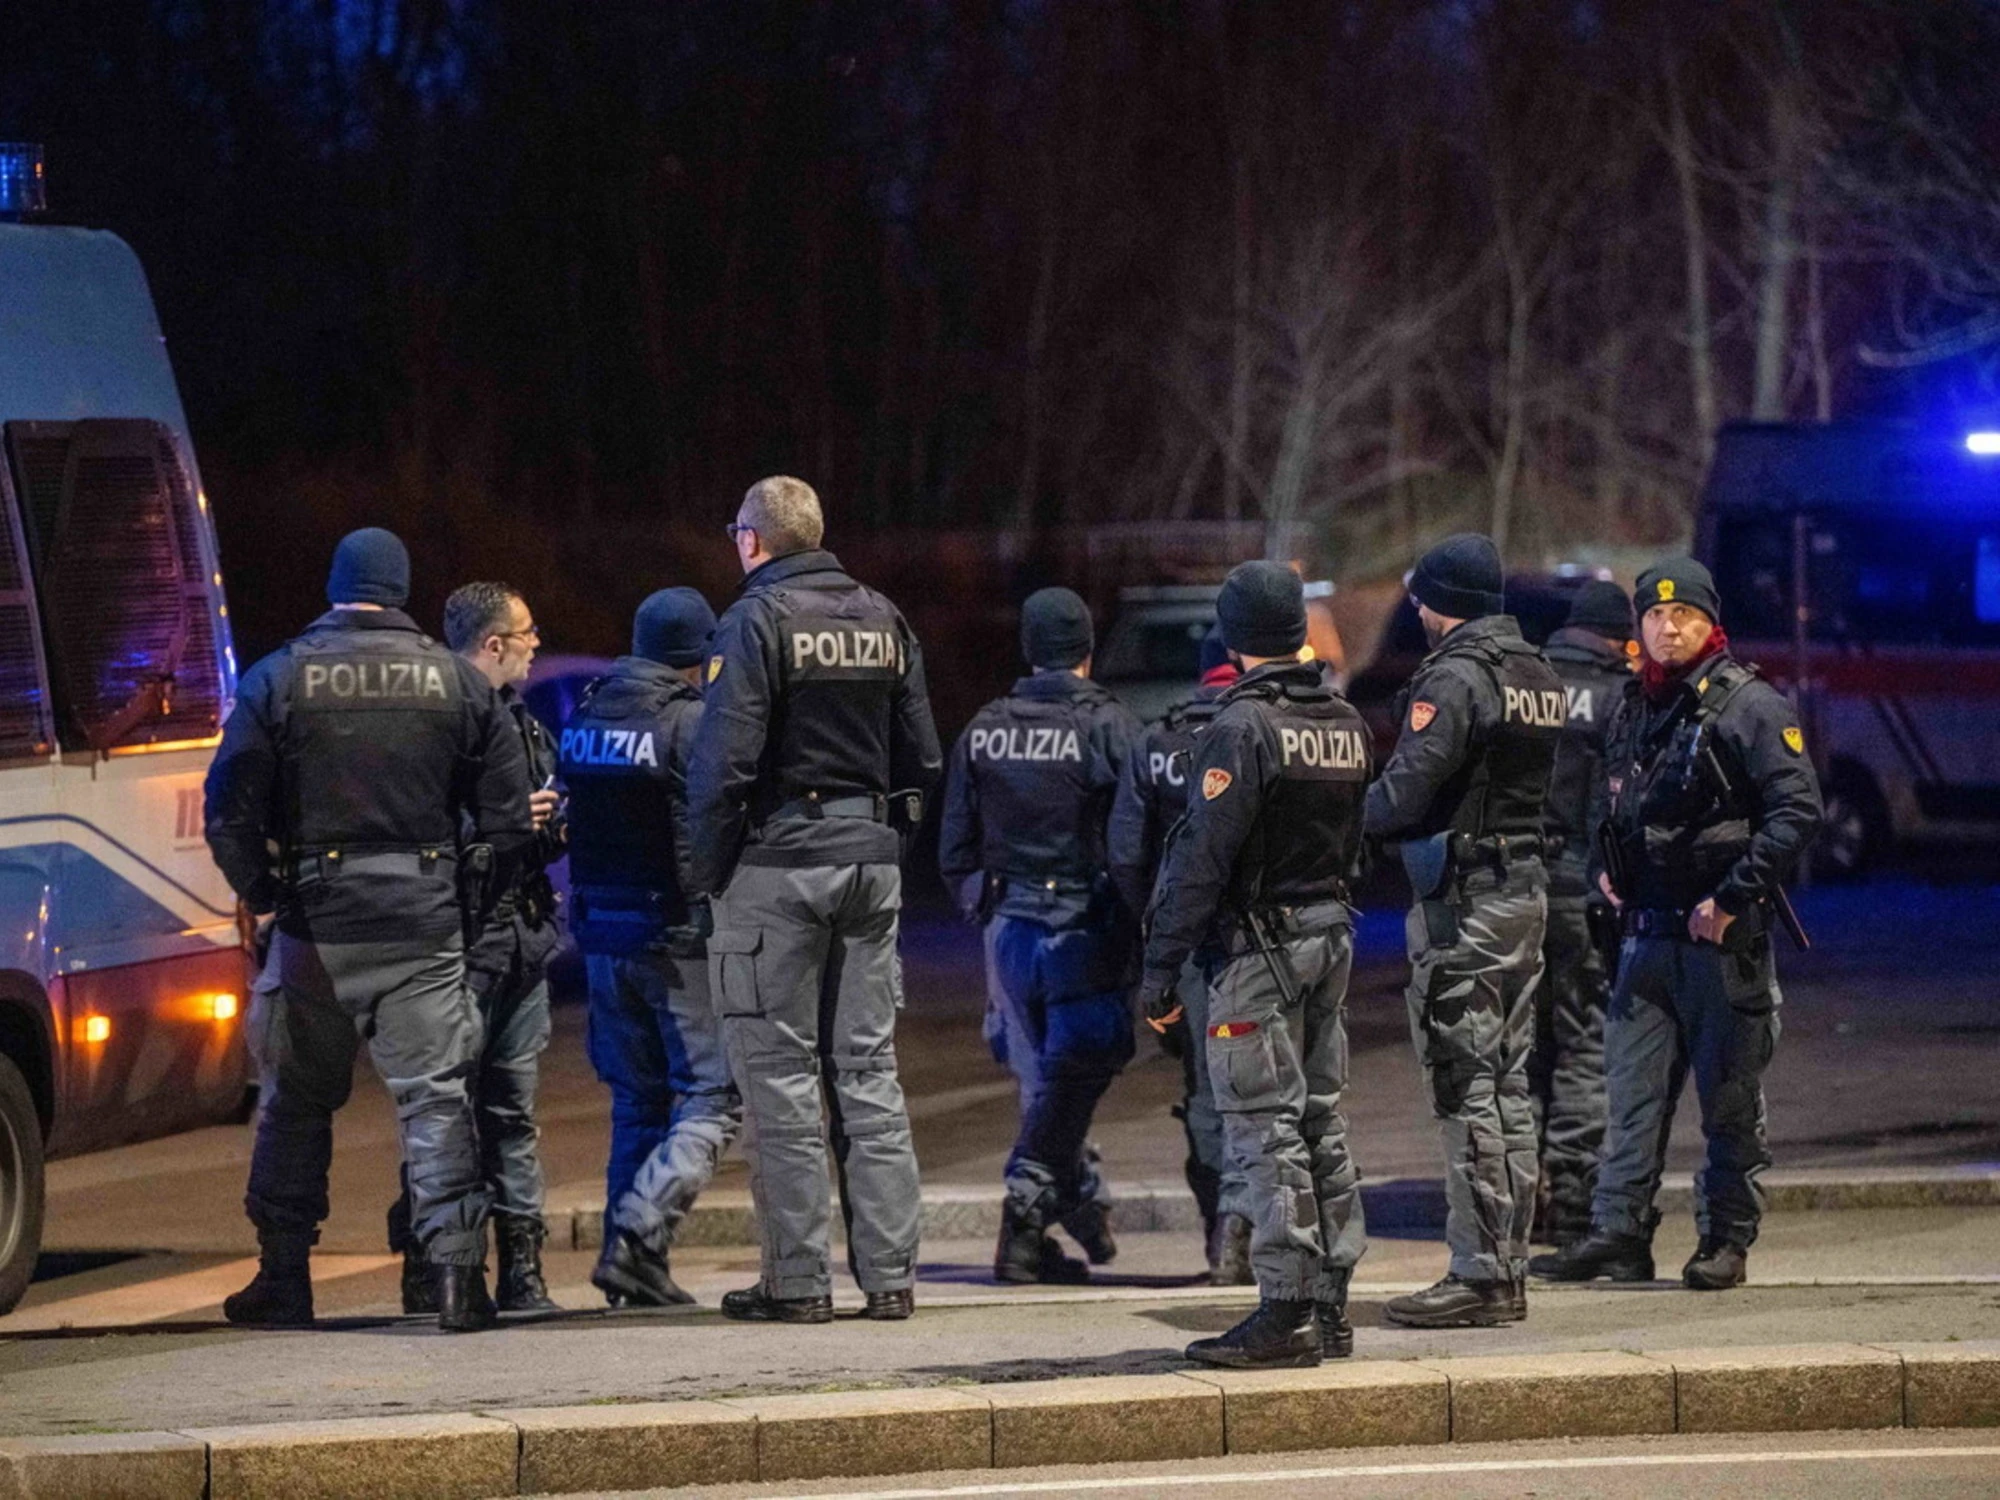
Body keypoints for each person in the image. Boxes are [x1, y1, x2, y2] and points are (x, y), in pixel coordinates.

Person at [204, 528, 532, 1331]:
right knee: (436, 1106)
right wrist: (464, 902)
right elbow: (509, 822)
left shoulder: (280, 678)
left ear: (334, 585)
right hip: (421, 924)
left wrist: (266, 891)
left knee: (294, 1105)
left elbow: (228, 807)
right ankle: (456, 1284)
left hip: (317, 925)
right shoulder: (457, 684)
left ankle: (284, 1277)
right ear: (402, 589)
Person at [686, 475, 943, 1323]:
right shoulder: (882, 614)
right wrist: (881, 840)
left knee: (783, 1079)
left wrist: (709, 872)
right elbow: (921, 756)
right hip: (869, 861)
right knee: (869, 1072)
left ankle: (797, 1283)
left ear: (753, 541)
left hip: (779, 865)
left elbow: (723, 765)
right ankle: (892, 1279)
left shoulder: (754, 620)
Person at [1531, 559, 1820, 1291]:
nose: (1668, 628)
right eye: (1654, 617)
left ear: (1709, 622)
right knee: (1629, 1101)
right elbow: (1612, 801)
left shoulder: (1749, 706)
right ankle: (1618, 1237)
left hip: (1721, 941)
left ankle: (1725, 1238)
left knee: (1729, 1104)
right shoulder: (1636, 705)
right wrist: (1606, 867)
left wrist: (1731, 897)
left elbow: (1796, 813)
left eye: (1683, 615)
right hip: (1644, 938)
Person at [1138, 561, 1372, 1368]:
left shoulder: (1240, 728)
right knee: (1321, 1121)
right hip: (1329, 935)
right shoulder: (1343, 720)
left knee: (1264, 1129)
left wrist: (1160, 968)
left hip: (1256, 951)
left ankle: (1284, 1309)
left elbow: (1201, 858)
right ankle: (1332, 1304)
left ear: (1235, 638)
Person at [1363, 533, 1563, 1329]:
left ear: (1445, 601)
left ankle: (1480, 1275)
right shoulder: (1535, 672)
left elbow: (1406, 794)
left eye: (1422, 595)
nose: (1416, 607)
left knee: (1465, 1086)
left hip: (1466, 905)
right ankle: (1507, 1268)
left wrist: (1341, 813)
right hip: (1524, 895)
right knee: (1511, 1086)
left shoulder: (1454, 679)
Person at [939, 588, 1141, 1285]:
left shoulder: (984, 728)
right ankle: (1036, 1218)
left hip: (1007, 932)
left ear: (1028, 649)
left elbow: (954, 845)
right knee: (1076, 1073)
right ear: (1086, 650)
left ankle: (1075, 1210)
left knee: (1043, 1085)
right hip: (1080, 928)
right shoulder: (1110, 726)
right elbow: (1133, 841)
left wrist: (985, 908)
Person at [384, 581, 566, 1316]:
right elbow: (407, 831)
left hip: (518, 941)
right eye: (527, 635)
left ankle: (523, 1270)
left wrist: (547, 827)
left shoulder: (524, 727)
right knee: (443, 1113)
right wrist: (493, 825)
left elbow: (536, 829)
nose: (536, 645)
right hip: (455, 945)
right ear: (492, 644)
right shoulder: (430, 724)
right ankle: (434, 1268)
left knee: (512, 1114)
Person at [563, 587, 742, 1307]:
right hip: (674, 938)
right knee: (714, 1098)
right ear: (695, 655)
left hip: (603, 936)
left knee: (636, 1104)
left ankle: (630, 1265)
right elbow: (712, 821)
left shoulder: (587, 711)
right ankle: (639, 1233)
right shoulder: (689, 723)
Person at [1107, 626, 1255, 1284]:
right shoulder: (1267, 731)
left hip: (1189, 946)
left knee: (1204, 1085)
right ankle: (1265, 1229)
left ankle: (1222, 1232)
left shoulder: (1158, 741)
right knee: (1271, 1087)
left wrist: (1156, 928)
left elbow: (1126, 853)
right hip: (1264, 939)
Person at [1527, 581, 1634, 1248]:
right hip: (1583, 891)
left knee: (1523, 1049)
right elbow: (1621, 806)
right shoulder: (1619, 695)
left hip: (1510, 890)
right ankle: (1569, 1201)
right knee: (1584, 1044)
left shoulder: (1521, 684)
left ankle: (1518, 1194)